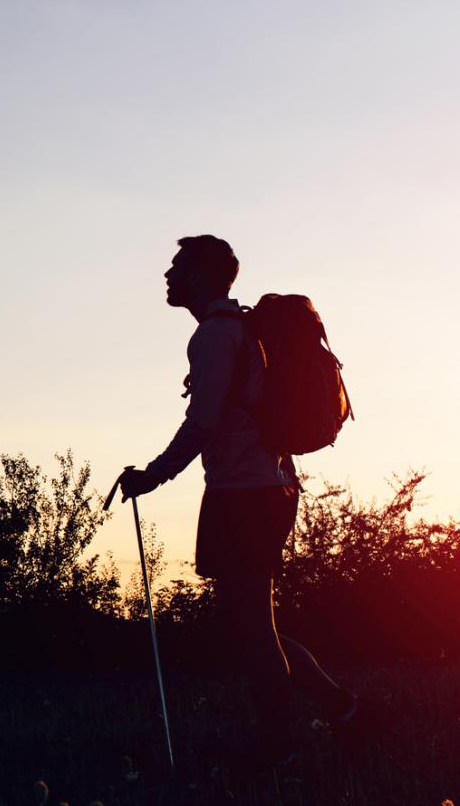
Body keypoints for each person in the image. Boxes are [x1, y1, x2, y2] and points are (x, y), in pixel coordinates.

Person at [111, 236, 357, 764]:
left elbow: (203, 421)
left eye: (178, 268)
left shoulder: (216, 336)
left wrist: (153, 475)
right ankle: (342, 712)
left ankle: (279, 746)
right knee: (250, 622)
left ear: (203, 277)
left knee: (251, 626)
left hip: (245, 491)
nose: (168, 276)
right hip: (263, 486)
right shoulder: (237, 329)